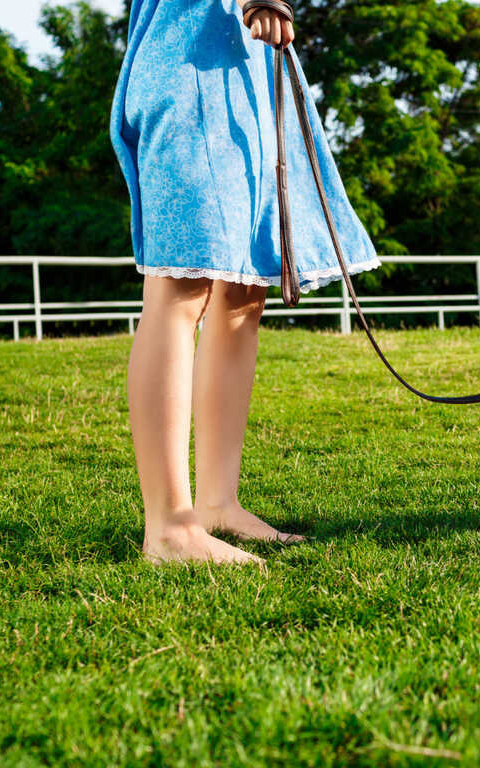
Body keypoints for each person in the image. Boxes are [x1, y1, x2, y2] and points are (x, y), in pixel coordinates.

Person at [109, 0, 380, 565]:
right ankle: (168, 526)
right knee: (182, 281)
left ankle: (216, 504)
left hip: (253, 67)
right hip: (186, 60)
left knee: (242, 293)